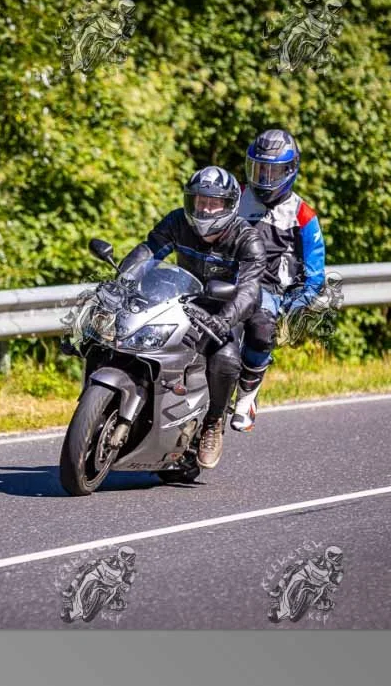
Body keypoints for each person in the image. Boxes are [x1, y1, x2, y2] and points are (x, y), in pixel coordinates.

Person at [117, 166, 275, 469]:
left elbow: (249, 290)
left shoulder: (248, 239)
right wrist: (122, 280)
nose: (205, 209)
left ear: (230, 205)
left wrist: (225, 320)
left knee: (226, 358)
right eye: (200, 201)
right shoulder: (178, 221)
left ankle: (213, 423)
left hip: (225, 310)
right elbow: (149, 251)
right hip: (180, 298)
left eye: (214, 203)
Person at [231, 128, 327, 432]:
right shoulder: (234, 197)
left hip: (268, 289)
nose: (264, 179)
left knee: (261, 331)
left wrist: (294, 306)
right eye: (259, 170)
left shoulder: (303, 215)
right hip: (225, 278)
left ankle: (246, 399)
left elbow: (315, 273)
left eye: (272, 172)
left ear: (290, 171)